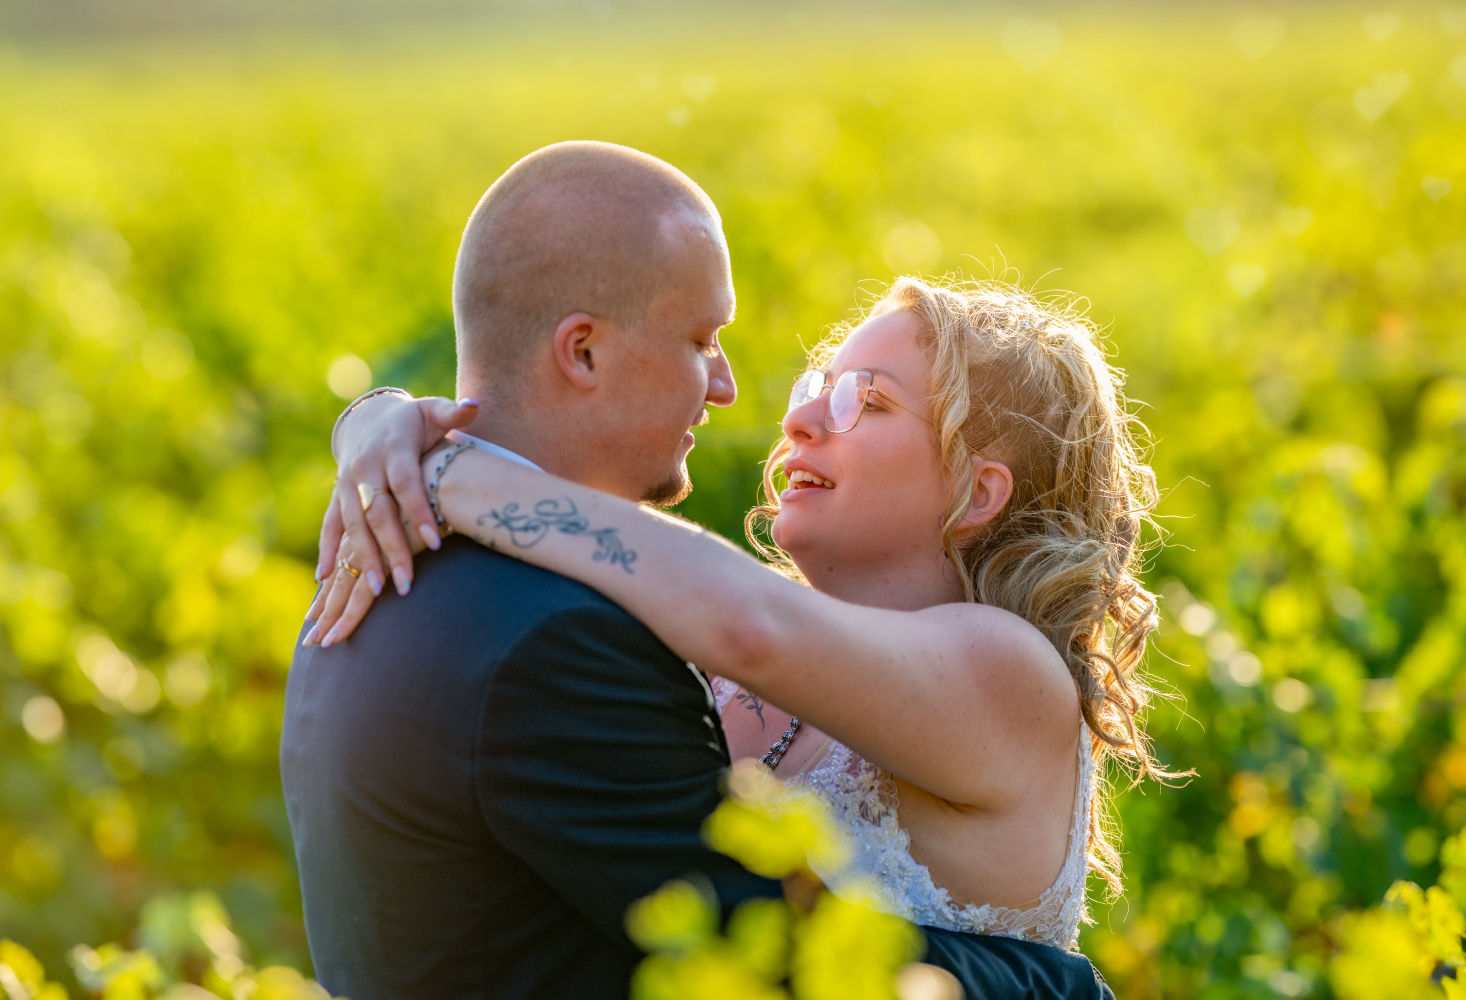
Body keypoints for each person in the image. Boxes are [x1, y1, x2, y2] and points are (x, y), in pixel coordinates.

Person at [282, 140, 1116, 1000]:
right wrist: (379, 424)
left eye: (863, 400)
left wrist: (454, 467)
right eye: (816, 383)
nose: (794, 420)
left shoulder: (1006, 671)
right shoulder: (653, 645)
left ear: (978, 492)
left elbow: (745, 624)